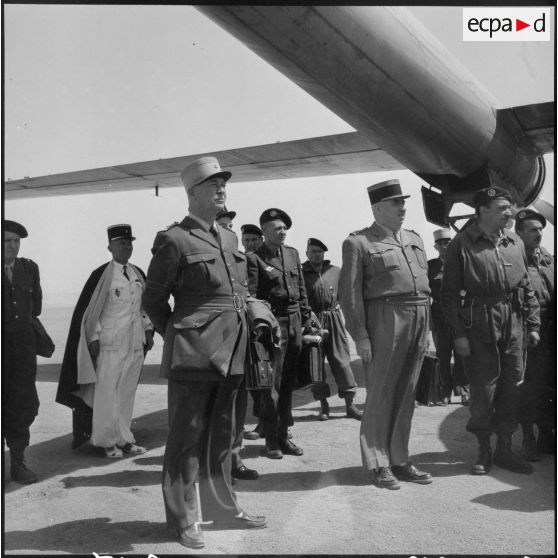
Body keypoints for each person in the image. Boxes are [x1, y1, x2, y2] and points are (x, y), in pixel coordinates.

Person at [142, 156, 266, 550]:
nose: (221, 189)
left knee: (226, 436)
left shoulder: (229, 239)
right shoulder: (174, 240)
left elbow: (239, 293)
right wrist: (180, 335)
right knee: (186, 438)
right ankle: (183, 519)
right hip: (194, 354)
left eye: (223, 183)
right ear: (193, 193)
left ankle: (223, 509)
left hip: (233, 349)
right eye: (213, 184)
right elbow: (154, 299)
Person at [339, 179, 432, 490]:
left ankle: (399, 458)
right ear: (377, 209)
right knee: (381, 394)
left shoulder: (415, 238)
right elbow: (350, 295)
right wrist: (361, 336)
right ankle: (378, 463)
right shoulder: (359, 243)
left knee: (407, 393)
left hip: (418, 316)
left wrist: (427, 329)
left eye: (403, 202)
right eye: (395, 203)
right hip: (385, 318)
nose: (403, 208)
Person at [440, 187, 540, 476]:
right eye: (502, 208)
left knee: (512, 387)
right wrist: (458, 334)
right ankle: (483, 450)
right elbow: (448, 296)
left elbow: (526, 287)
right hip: (479, 324)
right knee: (484, 391)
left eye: (508, 207)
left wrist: (532, 325)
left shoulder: (515, 241)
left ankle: (504, 450)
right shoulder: (461, 244)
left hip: (515, 324)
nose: (508, 212)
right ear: (482, 210)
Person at [56, 224, 154, 458]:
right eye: (121, 242)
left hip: (134, 343)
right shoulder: (102, 275)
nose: (126, 246)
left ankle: (124, 439)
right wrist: (93, 339)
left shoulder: (137, 273)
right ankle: (105, 441)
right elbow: (91, 312)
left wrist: (148, 330)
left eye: (129, 242)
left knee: (126, 392)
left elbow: (144, 308)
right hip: (110, 343)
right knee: (106, 394)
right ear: (109, 246)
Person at [246, 208, 312, 459]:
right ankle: (271, 440)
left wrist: (306, 319)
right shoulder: (255, 258)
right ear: (264, 231)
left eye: (285, 228)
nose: (282, 232)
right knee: (271, 387)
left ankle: (284, 437)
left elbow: (302, 291)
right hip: (272, 326)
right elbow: (252, 297)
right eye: (277, 228)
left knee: (288, 386)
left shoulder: (292, 254)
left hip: (294, 324)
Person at [301, 237, 362, 421]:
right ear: (306, 253)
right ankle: (324, 406)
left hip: (333, 318)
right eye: (312, 251)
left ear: (324, 253)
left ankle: (350, 406)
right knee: (315, 364)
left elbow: (346, 296)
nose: (316, 255)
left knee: (342, 361)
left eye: (319, 252)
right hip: (312, 320)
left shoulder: (335, 271)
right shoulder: (301, 272)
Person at [2, 220, 42, 484]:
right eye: (7, 240)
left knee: (23, 405)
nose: (13, 246)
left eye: (17, 241)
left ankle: (18, 464)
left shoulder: (29, 268)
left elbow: (35, 307)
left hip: (23, 349)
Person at [514, 209, 555, 460]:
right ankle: (528, 437)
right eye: (531, 229)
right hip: (529, 331)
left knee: (550, 385)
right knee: (530, 387)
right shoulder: (514, 260)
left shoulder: (547, 257)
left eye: (540, 229)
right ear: (519, 234)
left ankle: (547, 434)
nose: (538, 234)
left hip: (551, 328)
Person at [427, 228, 469, 405]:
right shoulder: (430, 266)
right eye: (441, 243)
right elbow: (424, 293)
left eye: (448, 242)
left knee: (462, 354)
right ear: (435, 246)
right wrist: (429, 319)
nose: (445, 246)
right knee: (443, 355)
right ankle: (446, 390)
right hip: (439, 314)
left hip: (459, 312)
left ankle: (464, 389)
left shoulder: (462, 262)